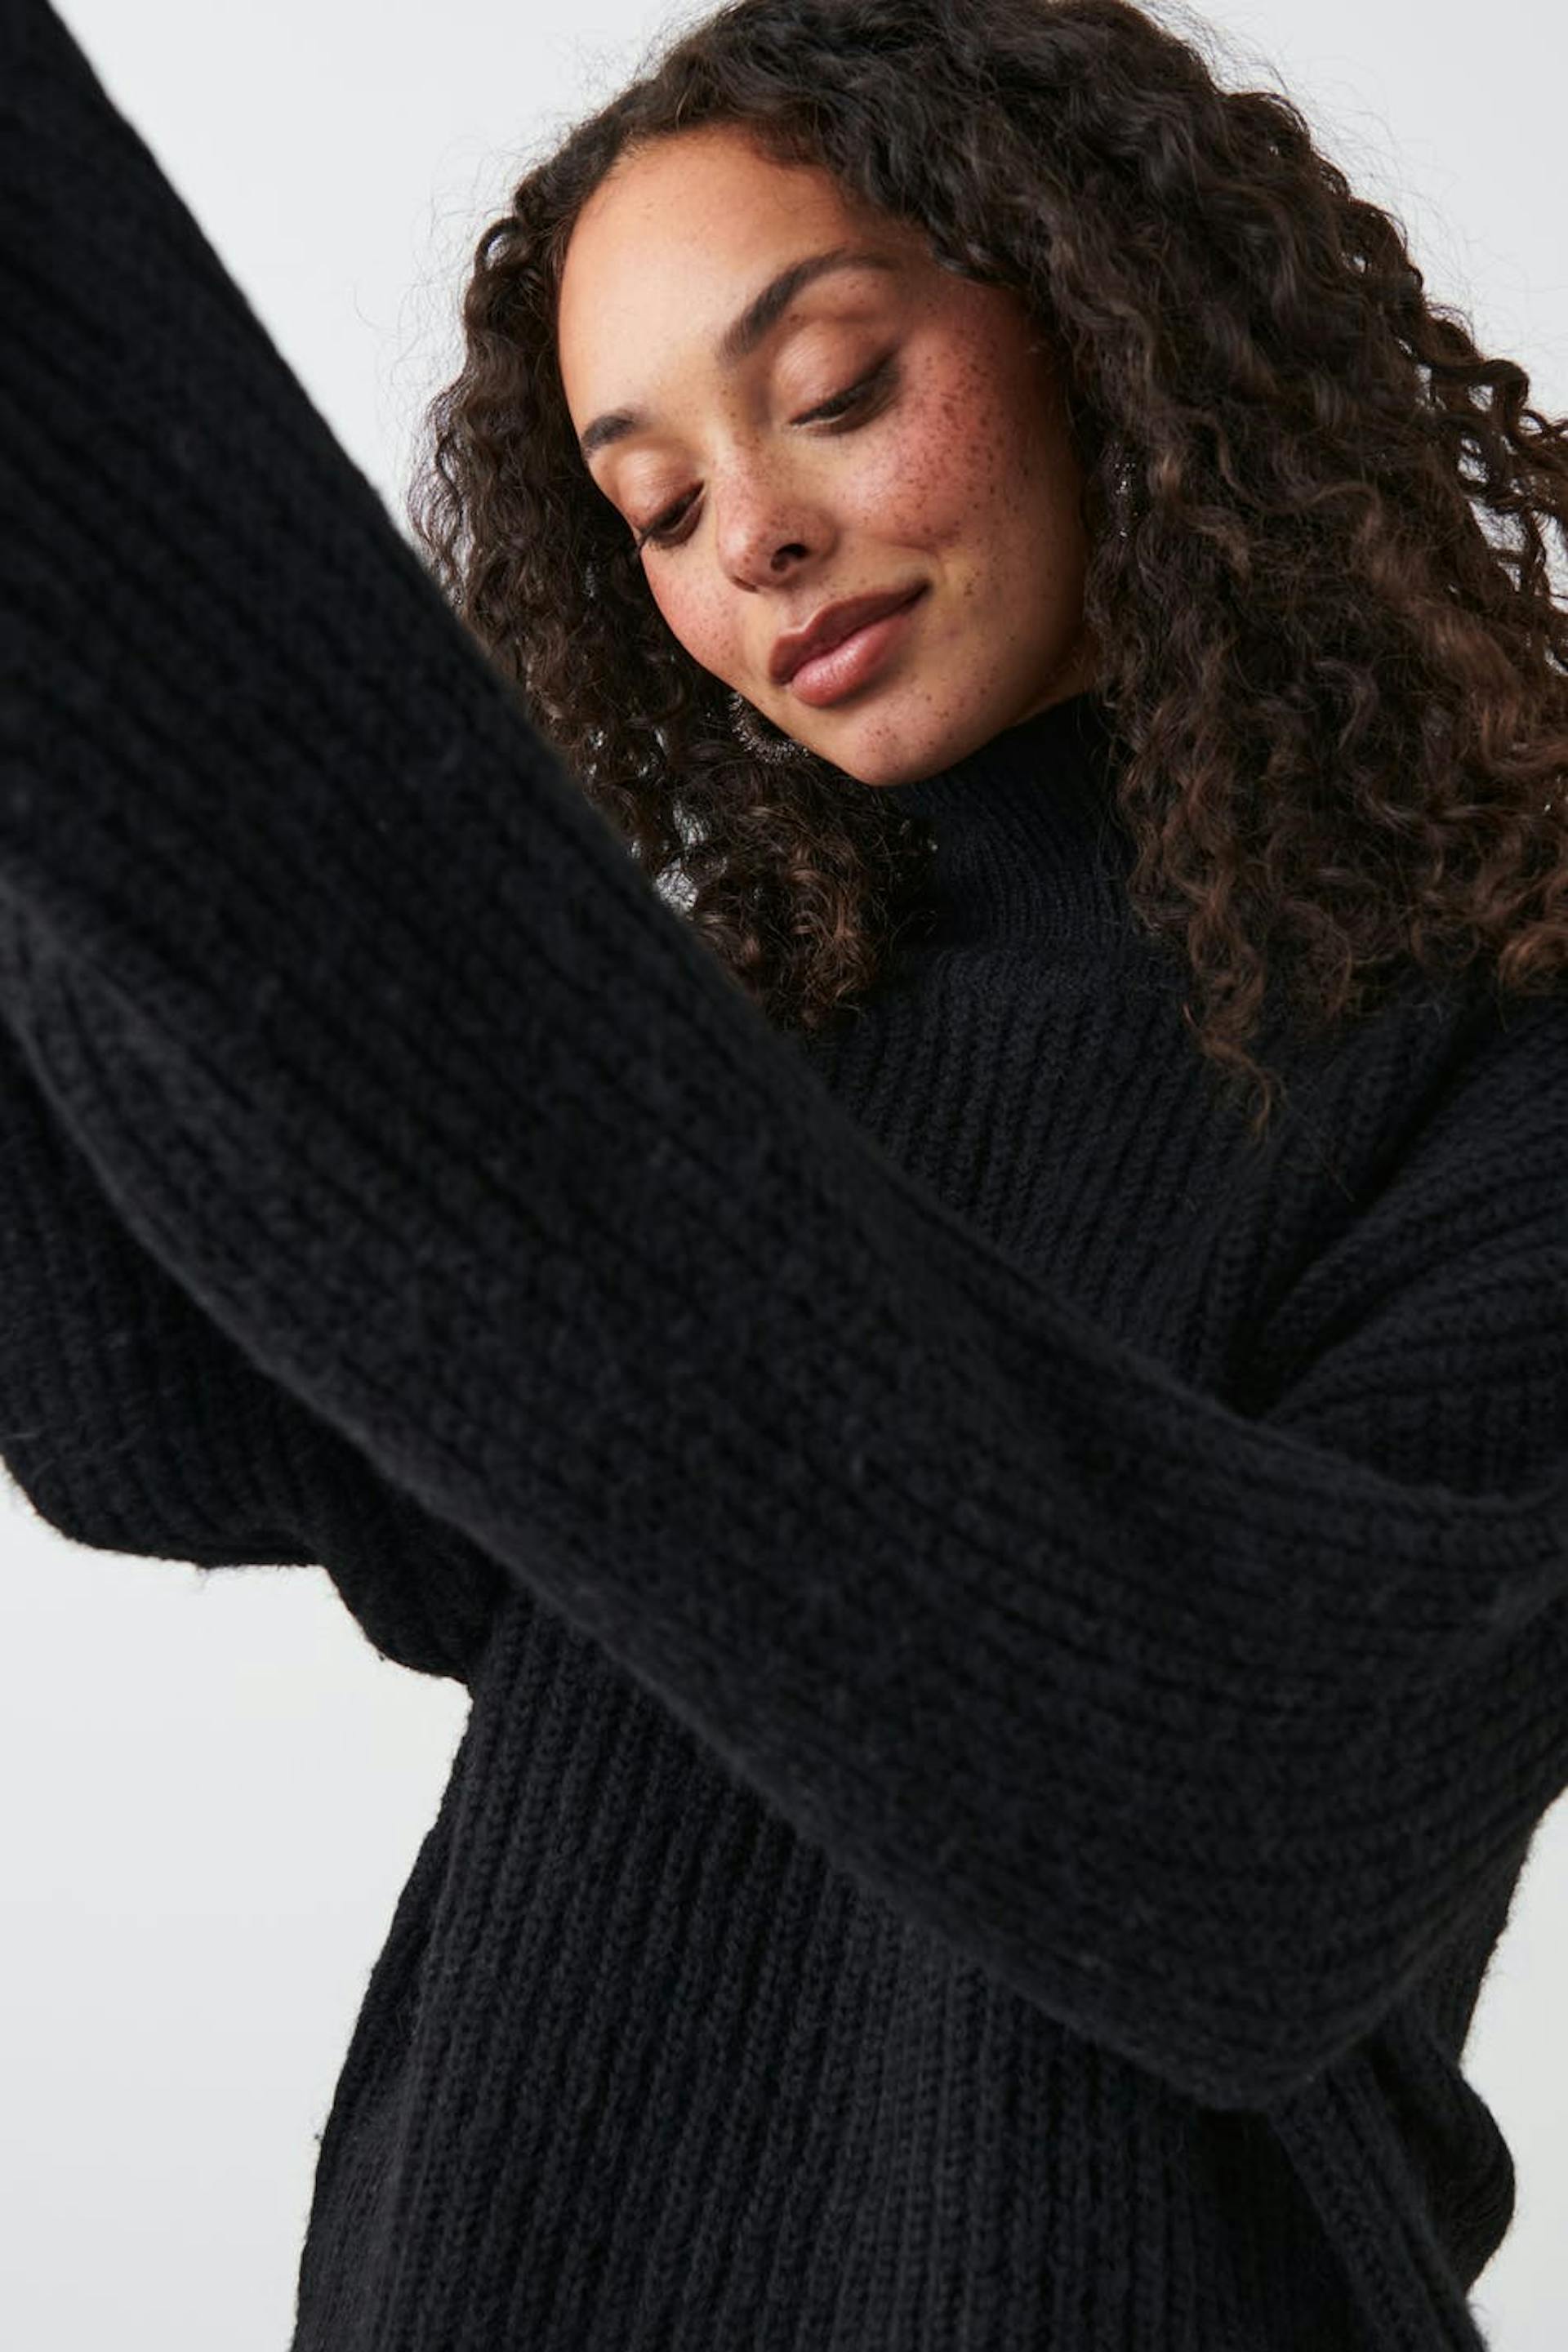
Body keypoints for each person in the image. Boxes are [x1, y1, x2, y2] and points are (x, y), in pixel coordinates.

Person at [0, 0, 1564, 2346]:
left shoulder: (1506, 1044)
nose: (754, 533)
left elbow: (1252, 1838)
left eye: (833, 389)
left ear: (1113, 319)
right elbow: (163, 1417)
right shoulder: (771, 1044)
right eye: (651, 505)